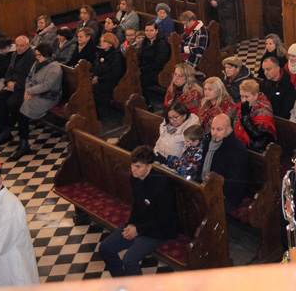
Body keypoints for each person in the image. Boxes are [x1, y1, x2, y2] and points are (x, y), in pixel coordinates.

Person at [98, 146, 179, 277]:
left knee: (129, 260)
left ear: (149, 166)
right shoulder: (134, 179)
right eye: (132, 165)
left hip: (160, 231)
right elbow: (137, 206)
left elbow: (165, 219)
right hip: (140, 225)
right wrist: (131, 224)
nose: (133, 170)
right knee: (105, 248)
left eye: (138, 167)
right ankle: (122, 281)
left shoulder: (162, 184)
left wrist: (138, 230)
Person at [12, 43, 63, 160]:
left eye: (39, 55)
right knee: (16, 104)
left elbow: (47, 85)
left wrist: (30, 91)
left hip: (49, 97)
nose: (37, 57)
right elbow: (29, 77)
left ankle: (24, 144)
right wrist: (27, 91)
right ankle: (20, 138)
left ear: (46, 55)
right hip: (35, 93)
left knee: (22, 111)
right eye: (36, 55)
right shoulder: (37, 63)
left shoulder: (54, 67)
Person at [198, 113, 249, 213]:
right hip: (206, 187)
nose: (214, 133)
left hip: (226, 196)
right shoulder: (207, 141)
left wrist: (213, 192)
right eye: (212, 129)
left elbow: (234, 181)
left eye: (219, 129)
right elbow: (200, 165)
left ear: (229, 130)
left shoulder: (237, 150)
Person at [0, 36, 35, 146]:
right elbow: (9, 71)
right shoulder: (15, 54)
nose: (19, 48)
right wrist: (8, 82)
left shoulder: (32, 56)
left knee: (12, 103)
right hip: (12, 85)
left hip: (24, 88)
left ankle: (9, 131)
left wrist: (15, 85)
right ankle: (3, 131)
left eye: (22, 46)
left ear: (28, 46)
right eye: (17, 45)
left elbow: (30, 77)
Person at [231, 79, 276, 152]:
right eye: (241, 96)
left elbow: (257, 136)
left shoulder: (263, 110)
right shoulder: (241, 106)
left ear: (256, 95)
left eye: (246, 97)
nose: (243, 100)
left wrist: (245, 116)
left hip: (256, 147)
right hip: (242, 145)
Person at [91, 33, 125, 110]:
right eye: (101, 41)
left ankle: (97, 113)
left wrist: (99, 79)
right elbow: (96, 66)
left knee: (93, 89)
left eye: (104, 41)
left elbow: (114, 73)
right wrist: (95, 75)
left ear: (110, 44)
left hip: (110, 82)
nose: (101, 43)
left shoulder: (116, 55)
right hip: (101, 78)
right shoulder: (101, 53)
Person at [138, 22, 171, 95]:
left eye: (151, 30)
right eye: (147, 30)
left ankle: (147, 103)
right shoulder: (146, 41)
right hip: (145, 68)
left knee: (138, 81)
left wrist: (142, 69)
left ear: (156, 31)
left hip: (157, 71)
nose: (148, 33)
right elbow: (140, 55)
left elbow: (159, 63)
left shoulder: (162, 44)